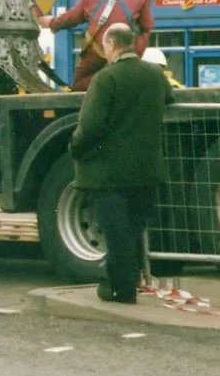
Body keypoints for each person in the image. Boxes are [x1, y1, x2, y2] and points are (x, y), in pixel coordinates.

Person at [70, 24, 174, 304]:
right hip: (146, 169)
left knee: (116, 234)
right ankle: (129, 283)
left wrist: (75, 147)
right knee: (134, 229)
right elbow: (170, 98)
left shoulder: (106, 79)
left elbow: (90, 126)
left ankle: (121, 290)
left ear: (112, 45)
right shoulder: (155, 75)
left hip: (109, 174)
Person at [38, 0, 153, 91]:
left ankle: (104, 82)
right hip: (127, 51)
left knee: (80, 83)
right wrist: (136, 53)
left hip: (97, 51)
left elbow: (73, 17)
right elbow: (147, 26)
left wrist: (52, 23)